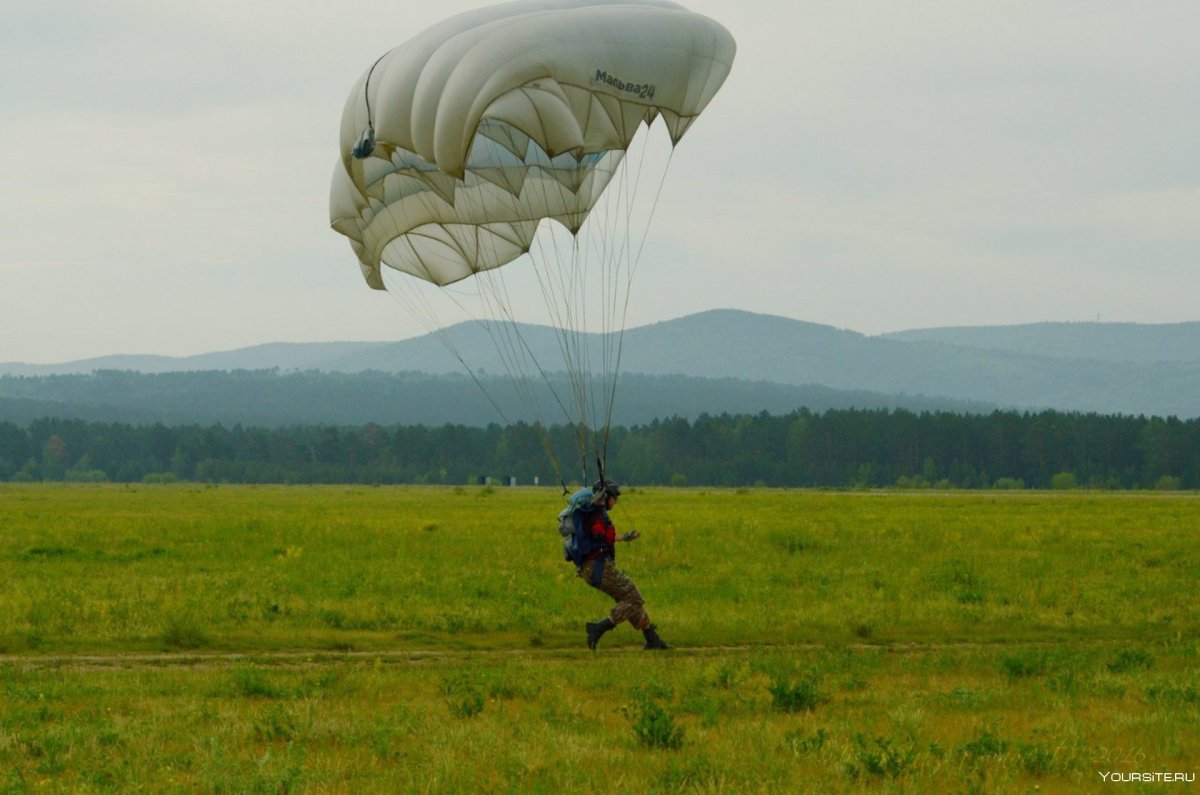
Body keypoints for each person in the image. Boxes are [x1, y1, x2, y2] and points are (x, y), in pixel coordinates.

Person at [576, 480, 671, 651]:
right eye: (614, 498)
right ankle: (599, 628)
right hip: (598, 567)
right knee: (633, 597)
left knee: (628, 599)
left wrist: (626, 537)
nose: (616, 501)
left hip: (593, 568)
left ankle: (653, 640)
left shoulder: (595, 514)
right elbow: (599, 536)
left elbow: (605, 537)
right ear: (605, 497)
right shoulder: (596, 516)